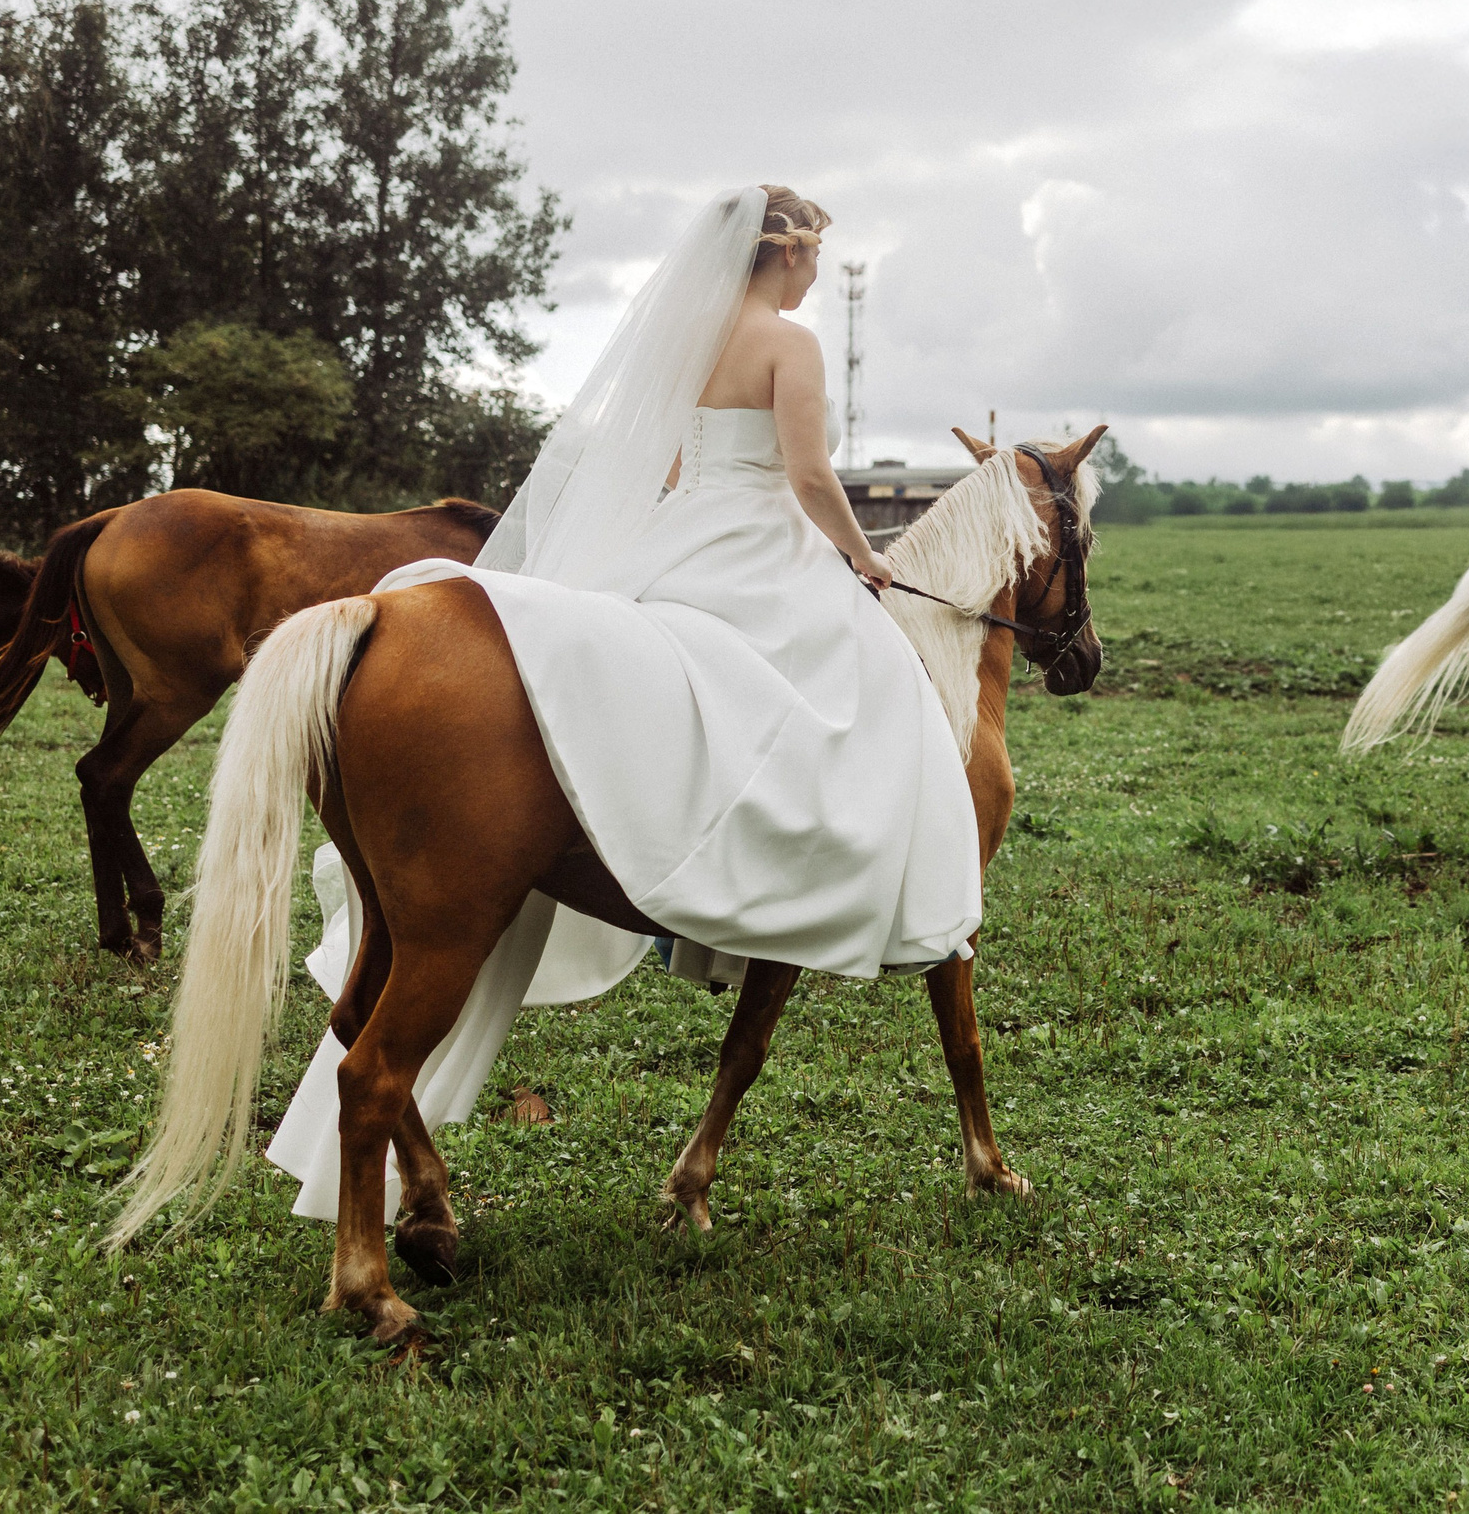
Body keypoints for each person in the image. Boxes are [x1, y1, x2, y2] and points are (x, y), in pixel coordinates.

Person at [267, 185, 983, 1222]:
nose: (820, 273)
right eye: (817, 254)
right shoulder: (789, 343)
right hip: (760, 545)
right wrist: (863, 555)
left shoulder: (689, 340)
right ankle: (811, 870)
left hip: (682, 542)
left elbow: (677, 465)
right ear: (787, 256)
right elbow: (808, 473)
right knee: (865, 690)